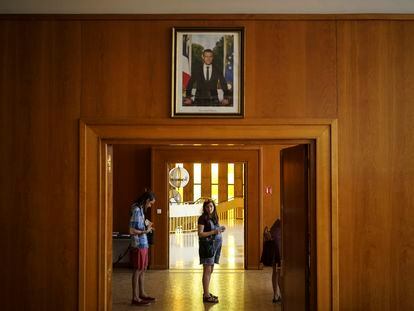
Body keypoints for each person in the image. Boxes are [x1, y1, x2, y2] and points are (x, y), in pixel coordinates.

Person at [129, 190, 156, 306]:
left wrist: (147, 226)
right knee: (138, 270)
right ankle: (135, 297)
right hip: (138, 244)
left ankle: (142, 293)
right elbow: (131, 230)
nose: (150, 206)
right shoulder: (136, 210)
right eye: (150, 204)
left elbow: (139, 225)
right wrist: (145, 231)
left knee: (143, 269)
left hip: (144, 243)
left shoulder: (140, 210)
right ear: (146, 201)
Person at [197, 199, 225, 303]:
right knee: (207, 270)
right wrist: (214, 231)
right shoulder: (202, 218)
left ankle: (207, 292)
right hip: (207, 247)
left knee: (210, 270)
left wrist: (220, 229)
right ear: (204, 208)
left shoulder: (214, 217)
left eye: (211, 207)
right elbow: (200, 233)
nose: (210, 208)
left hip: (215, 247)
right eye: (208, 207)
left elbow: (215, 230)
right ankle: (206, 295)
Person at [270, 218, 282, 303]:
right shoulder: (281, 223)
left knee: (276, 272)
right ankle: (279, 294)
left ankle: (276, 294)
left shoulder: (277, 222)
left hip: (275, 251)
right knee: (280, 272)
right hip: (280, 252)